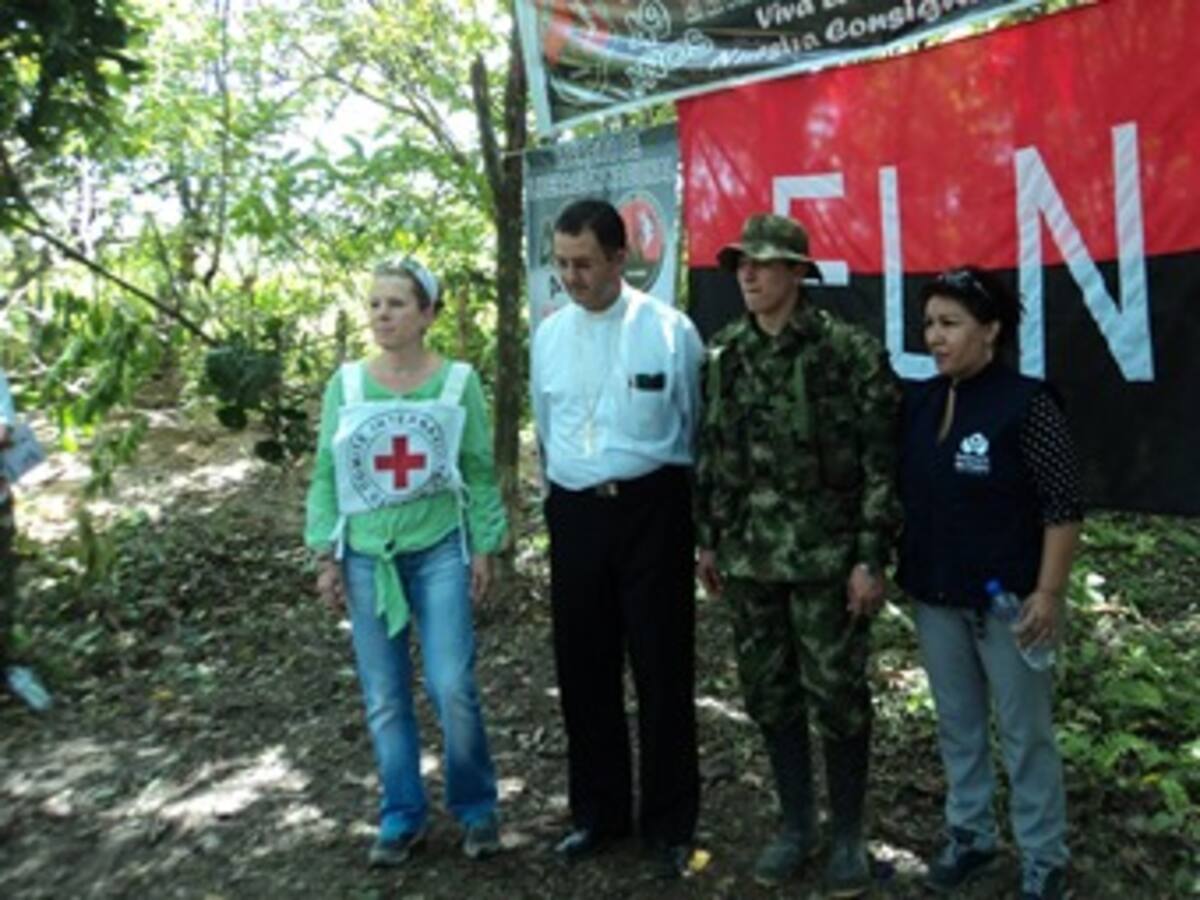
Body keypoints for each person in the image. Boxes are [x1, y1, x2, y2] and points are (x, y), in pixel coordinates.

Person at [694, 213, 901, 898]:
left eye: (761, 263)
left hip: (827, 561)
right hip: (751, 561)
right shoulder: (724, 354)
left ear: (795, 272)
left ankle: (846, 833)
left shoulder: (847, 352)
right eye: (739, 265)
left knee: (838, 696)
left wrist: (870, 557)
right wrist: (710, 539)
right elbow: (713, 457)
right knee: (769, 695)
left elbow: (881, 463)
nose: (747, 275)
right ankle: (795, 825)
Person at [305, 257, 507, 867]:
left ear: (427, 314)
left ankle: (476, 808)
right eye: (374, 303)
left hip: (441, 548)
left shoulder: (458, 381)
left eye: (396, 303)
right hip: (367, 555)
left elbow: (476, 467)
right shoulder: (346, 384)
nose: (381, 314)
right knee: (385, 695)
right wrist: (326, 555)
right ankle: (401, 815)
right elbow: (325, 473)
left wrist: (484, 545)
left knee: (452, 685)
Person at [530, 198, 704, 878]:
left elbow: (692, 425)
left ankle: (668, 823)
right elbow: (546, 428)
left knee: (662, 667)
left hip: (653, 510)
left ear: (618, 257)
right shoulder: (548, 336)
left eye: (584, 263)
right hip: (576, 515)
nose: (572, 277)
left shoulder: (669, 331)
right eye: (562, 263)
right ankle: (597, 813)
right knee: (584, 668)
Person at [896, 267, 1081, 900]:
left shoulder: (1027, 403)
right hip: (936, 596)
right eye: (928, 325)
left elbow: (1063, 504)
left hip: (1011, 606)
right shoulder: (920, 401)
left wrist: (1049, 593)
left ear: (991, 331)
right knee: (957, 724)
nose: (935, 338)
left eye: (950, 324)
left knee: (1025, 732)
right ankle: (970, 836)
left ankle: (1043, 856)